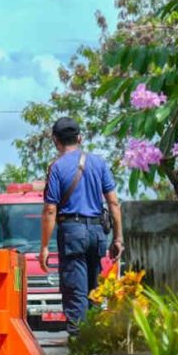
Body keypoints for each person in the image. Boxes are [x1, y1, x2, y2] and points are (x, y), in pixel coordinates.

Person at [39, 117, 123, 338]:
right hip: (97, 233)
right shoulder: (99, 163)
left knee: (75, 290)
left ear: (55, 140)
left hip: (72, 233)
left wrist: (44, 247)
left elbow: (50, 210)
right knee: (94, 291)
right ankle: (97, 343)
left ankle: (80, 344)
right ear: (80, 138)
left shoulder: (57, 168)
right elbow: (114, 203)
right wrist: (118, 239)